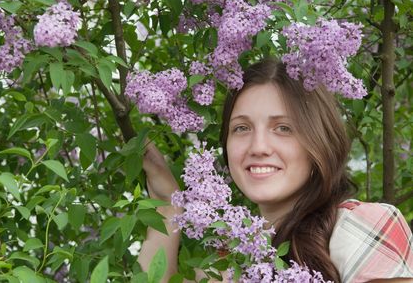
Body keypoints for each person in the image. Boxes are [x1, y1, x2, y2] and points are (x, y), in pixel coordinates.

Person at [137, 58, 413, 282]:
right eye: (242, 128)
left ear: (319, 141)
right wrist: (167, 203)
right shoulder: (227, 262)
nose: (258, 146)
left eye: (283, 128)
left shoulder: (361, 226)